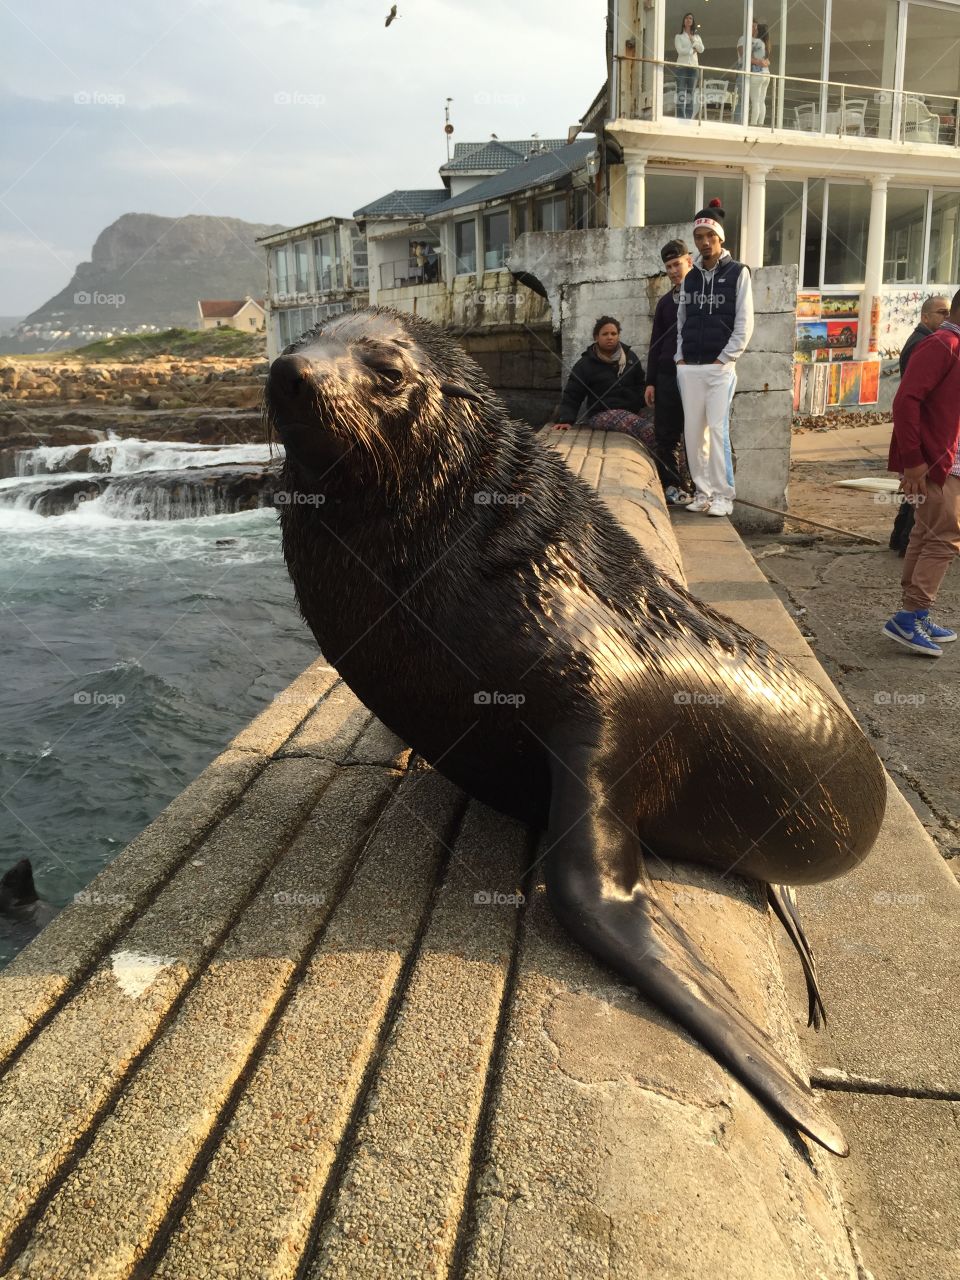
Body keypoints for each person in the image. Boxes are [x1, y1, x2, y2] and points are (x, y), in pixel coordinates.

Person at [881, 288, 960, 656]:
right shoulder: (943, 344)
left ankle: (915, 613)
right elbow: (905, 401)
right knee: (945, 537)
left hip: (942, 460)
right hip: (935, 463)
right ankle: (910, 615)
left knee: (925, 534)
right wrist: (912, 461)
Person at [674, 199, 754, 517]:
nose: (704, 242)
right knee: (693, 433)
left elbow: (745, 323)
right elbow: (682, 320)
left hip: (719, 368)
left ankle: (723, 496)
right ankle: (703, 492)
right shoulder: (690, 278)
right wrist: (680, 358)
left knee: (718, 432)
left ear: (720, 237)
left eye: (710, 236)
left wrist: (725, 359)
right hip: (690, 367)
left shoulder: (738, 273)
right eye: (699, 237)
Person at [890, 295, 952, 554]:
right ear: (925, 317)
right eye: (942, 312)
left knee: (916, 496)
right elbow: (908, 400)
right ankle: (905, 541)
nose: (947, 317)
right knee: (921, 497)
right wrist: (913, 455)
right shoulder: (927, 344)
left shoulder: (929, 340)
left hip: (919, 433)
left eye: (949, 312)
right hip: (922, 434)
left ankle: (901, 539)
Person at [645, 239, 695, 505]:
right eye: (669, 267)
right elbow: (655, 343)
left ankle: (702, 488)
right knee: (665, 435)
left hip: (696, 374)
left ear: (689, 261)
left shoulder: (704, 297)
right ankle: (673, 487)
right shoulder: (665, 303)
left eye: (677, 264)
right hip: (666, 376)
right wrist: (650, 381)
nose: (674, 271)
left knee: (698, 434)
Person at [553, 316, 651, 447]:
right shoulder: (586, 363)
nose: (610, 337)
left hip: (632, 411)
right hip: (602, 414)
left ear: (618, 336)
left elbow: (640, 385)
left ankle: (665, 459)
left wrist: (643, 401)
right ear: (596, 337)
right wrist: (566, 419)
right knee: (646, 430)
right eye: (605, 334)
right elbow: (573, 393)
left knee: (663, 427)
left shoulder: (630, 358)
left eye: (613, 334)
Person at [734, 21, 768, 124]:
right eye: (753, 26)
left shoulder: (758, 42)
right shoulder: (743, 38)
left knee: (756, 101)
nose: (755, 28)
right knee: (744, 100)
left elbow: (764, 59)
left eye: (756, 27)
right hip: (745, 72)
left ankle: (755, 124)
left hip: (755, 73)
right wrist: (760, 62)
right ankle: (739, 123)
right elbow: (744, 56)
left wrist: (761, 62)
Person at [674, 14, 703, 121]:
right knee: (681, 92)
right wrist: (692, 50)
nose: (688, 20)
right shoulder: (678, 37)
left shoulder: (697, 37)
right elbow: (680, 51)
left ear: (693, 21)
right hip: (681, 68)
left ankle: (688, 119)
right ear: (683, 21)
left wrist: (693, 40)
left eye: (690, 18)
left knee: (691, 94)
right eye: (686, 18)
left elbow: (701, 49)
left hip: (693, 68)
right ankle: (681, 118)